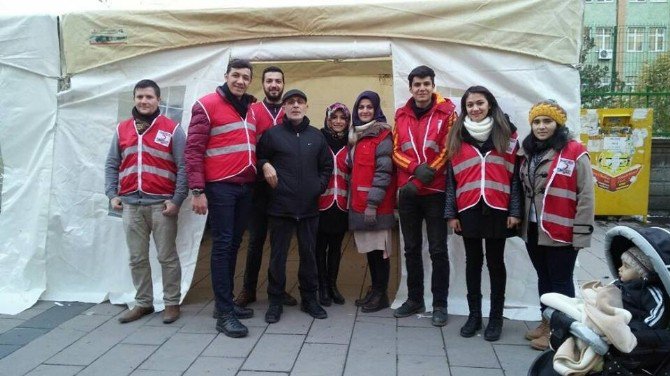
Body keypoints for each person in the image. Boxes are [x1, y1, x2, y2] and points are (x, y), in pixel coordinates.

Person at [184, 59, 257, 338]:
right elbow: (193, 150)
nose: (240, 81)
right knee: (223, 246)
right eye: (235, 75)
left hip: (245, 186)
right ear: (226, 76)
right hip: (220, 187)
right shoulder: (207, 104)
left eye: (245, 77)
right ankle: (224, 314)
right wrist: (197, 190)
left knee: (234, 244)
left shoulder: (250, 108)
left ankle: (224, 304)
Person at [105, 79, 187, 324]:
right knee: (137, 258)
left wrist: (177, 200)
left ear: (158, 100)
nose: (144, 101)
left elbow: (184, 167)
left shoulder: (172, 129)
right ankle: (143, 303)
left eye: (149, 97)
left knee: (167, 257)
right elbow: (111, 164)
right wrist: (112, 194)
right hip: (131, 205)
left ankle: (171, 303)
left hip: (161, 205)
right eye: (139, 97)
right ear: (134, 99)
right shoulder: (122, 129)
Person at [444, 86, 522, 341]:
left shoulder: (508, 135)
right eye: (470, 105)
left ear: (490, 104)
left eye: (480, 103)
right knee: (473, 263)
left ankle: (496, 319)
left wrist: (515, 210)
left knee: (496, 264)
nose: (475, 108)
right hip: (468, 210)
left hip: (499, 210)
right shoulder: (457, 136)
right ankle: (474, 316)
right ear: (464, 109)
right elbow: (450, 181)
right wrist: (451, 214)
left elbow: (516, 178)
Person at [518, 100, 595, 350]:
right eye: (537, 121)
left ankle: (562, 331)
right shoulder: (528, 151)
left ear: (558, 123)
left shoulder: (575, 151)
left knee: (561, 283)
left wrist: (581, 233)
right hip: (533, 228)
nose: (541, 126)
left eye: (547, 121)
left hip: (562, 231)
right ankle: (546, 320)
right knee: (544, 278)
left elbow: (586, 195)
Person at [257, 89, 334, 324]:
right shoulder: (272, 135)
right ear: (284, 108)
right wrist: (265, 164)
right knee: (278, 257)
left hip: (309, 207)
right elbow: (259, 157)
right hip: (281, 206)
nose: (295, 106)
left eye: (300, 102)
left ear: (306, 107)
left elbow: (326, 166)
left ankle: (309, 299)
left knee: (308, 255)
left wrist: (317, 187)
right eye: (290, 102)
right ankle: (275, 301)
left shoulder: (316, 136)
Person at [392, 65, 456, 326]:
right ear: (410, 88)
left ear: (433, 86)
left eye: (426, 84)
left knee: (438, 250)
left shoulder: (448, 112)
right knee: (411, 249)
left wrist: (421, 178)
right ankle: (415, 298)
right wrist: (414, 169)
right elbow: (395, 150)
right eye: (417, 84)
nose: (421, 89)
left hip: (435, 192)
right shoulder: (401, 114)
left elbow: (448, 148)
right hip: (407, 192)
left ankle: (440, 304)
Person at [235, 66, 297, 308]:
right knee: (256, 241)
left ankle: (277, 289)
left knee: (280, 243)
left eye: (278, 81)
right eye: (269, 81)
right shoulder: (251, 110)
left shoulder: (290, 112)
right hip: (258, 187)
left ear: (283, 84)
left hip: (285, 187)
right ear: (262, 84)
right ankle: (248, 289)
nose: (274, 85)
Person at [348, 91, 396, 313]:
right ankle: (375, 290)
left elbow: (384, 172)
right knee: (370, 251)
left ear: (376, 110)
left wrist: (373, 204)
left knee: (380, 252)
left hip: (375, 205)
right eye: (361, 107)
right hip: (360, 203)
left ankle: (381, 294)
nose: (364, 111)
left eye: (369, 107)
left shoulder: (382, 135)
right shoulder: (356, 135)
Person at [316, 102, 351, 306]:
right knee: (320, 247)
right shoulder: (319, 139)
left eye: (342, 118)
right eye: (334, 117)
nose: (338, 121)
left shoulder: (351, 142)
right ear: (328, 119)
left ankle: (332, 285)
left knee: (336, 247)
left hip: (342, 203)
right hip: (322, 202)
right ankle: (321, 287)